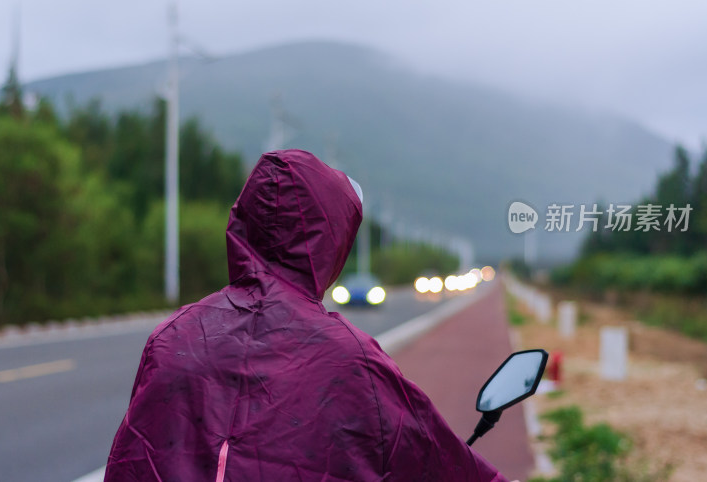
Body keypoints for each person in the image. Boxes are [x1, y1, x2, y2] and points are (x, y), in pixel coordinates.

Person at [105, 149, 508, 481]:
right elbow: (432, 456)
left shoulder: (172, 336)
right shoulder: (353, 362)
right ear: (330, 239)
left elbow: (130, 460)